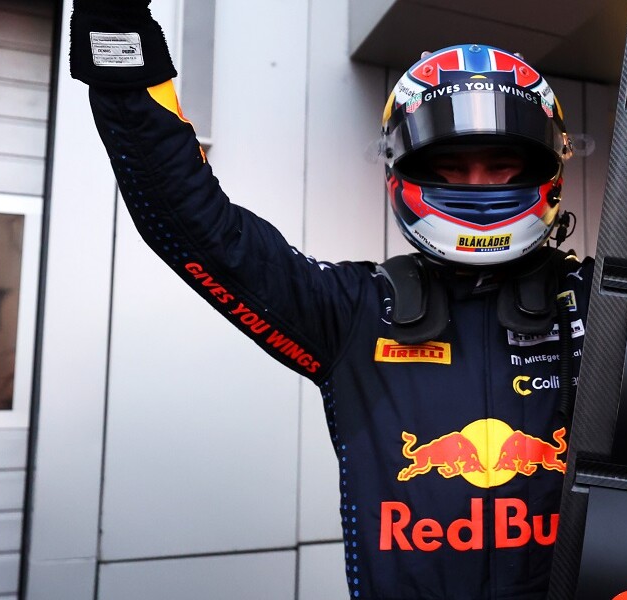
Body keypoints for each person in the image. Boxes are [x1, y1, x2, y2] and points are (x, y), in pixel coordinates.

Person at [71, 2, 589, 598]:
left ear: (547, 167)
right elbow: (194, 227)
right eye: (450, 167)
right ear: (403, 170)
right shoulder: (357, 311)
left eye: (501, 166)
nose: (476, 187)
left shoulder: (597, 307)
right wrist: (114, 26)